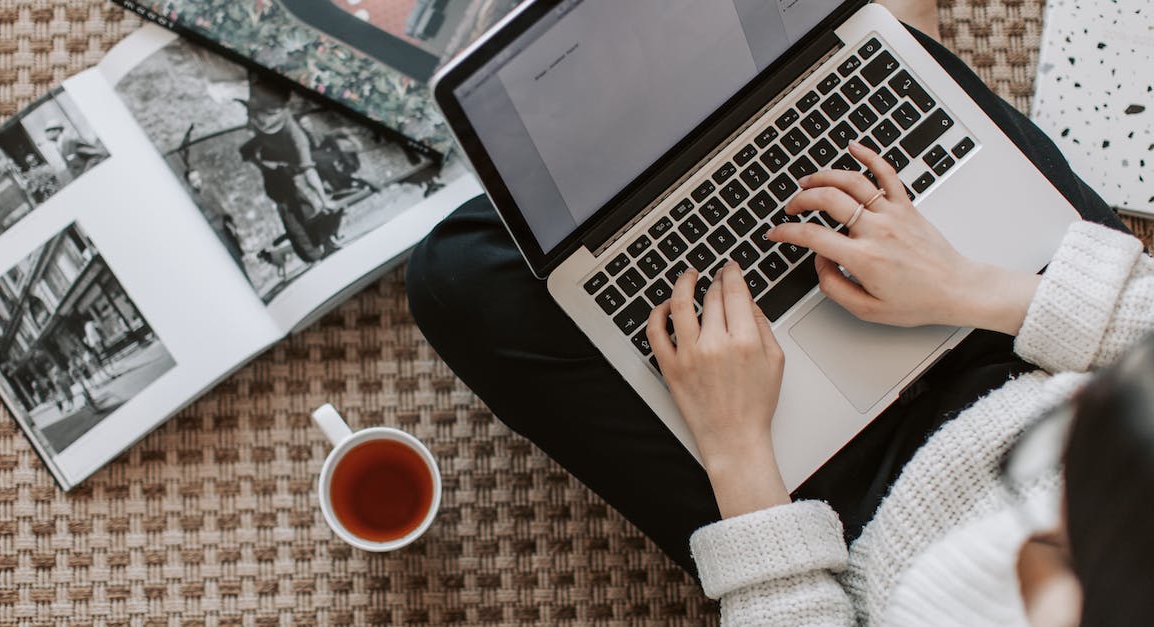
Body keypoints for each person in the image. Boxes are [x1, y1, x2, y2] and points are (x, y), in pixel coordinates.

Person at [404, 5, 1154, 625]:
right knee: (879, 57)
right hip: (1045, 346)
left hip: (841, 523)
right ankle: (871, 43)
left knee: (460, 272)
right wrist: (965, 284)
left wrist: (738, 453)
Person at [238, 78, 344, 263]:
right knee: (292, 214)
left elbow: (309, 171)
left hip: (292, 174)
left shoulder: (296, 136)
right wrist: (264, 166)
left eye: (270, 114)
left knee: (305, 210)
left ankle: (322, 244)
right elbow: (249, 144)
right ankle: (315, 251)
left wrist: (323, 199)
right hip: (277, 176)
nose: (263, 121)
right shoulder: (259, 113)